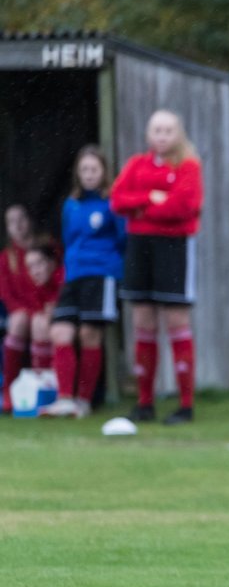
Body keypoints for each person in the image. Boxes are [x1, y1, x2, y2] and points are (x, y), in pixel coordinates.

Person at [110, 109, 204, 425]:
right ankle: (144, 402)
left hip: (173, 249)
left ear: (178, 134)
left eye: (167, 130)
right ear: (149, 135)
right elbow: (118, 200)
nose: (162, 136)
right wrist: (152, 197)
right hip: (140, 248)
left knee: (176, 320)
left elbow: (184, 206)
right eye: (156, 130)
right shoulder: (137, 164)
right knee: (143, 321)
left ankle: (186, 405)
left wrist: (144, 208)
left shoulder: (189, 166)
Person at [40, 146, 129, 418]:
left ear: (103, 172)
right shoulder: (71, 204)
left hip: (101, 274)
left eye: (94, 169)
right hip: (74, 274)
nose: (89, 175)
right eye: (84, 170)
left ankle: (84, 401)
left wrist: (114, 267)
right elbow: (69, 239)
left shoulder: (112, 202)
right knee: (60, 332)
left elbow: (124, 239)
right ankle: (64, 398)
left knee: (89, 334)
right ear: (78, 174)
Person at [1, 228, 62, 414]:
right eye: (30, 266)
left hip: (65, 327)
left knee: (40, 323)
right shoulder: (32, 280)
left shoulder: (62, 278)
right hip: (40, 324)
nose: (34, 271)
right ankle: (10, 390)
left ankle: (44, 389)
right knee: (28, 321)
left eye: (39, 264)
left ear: (52, 263)